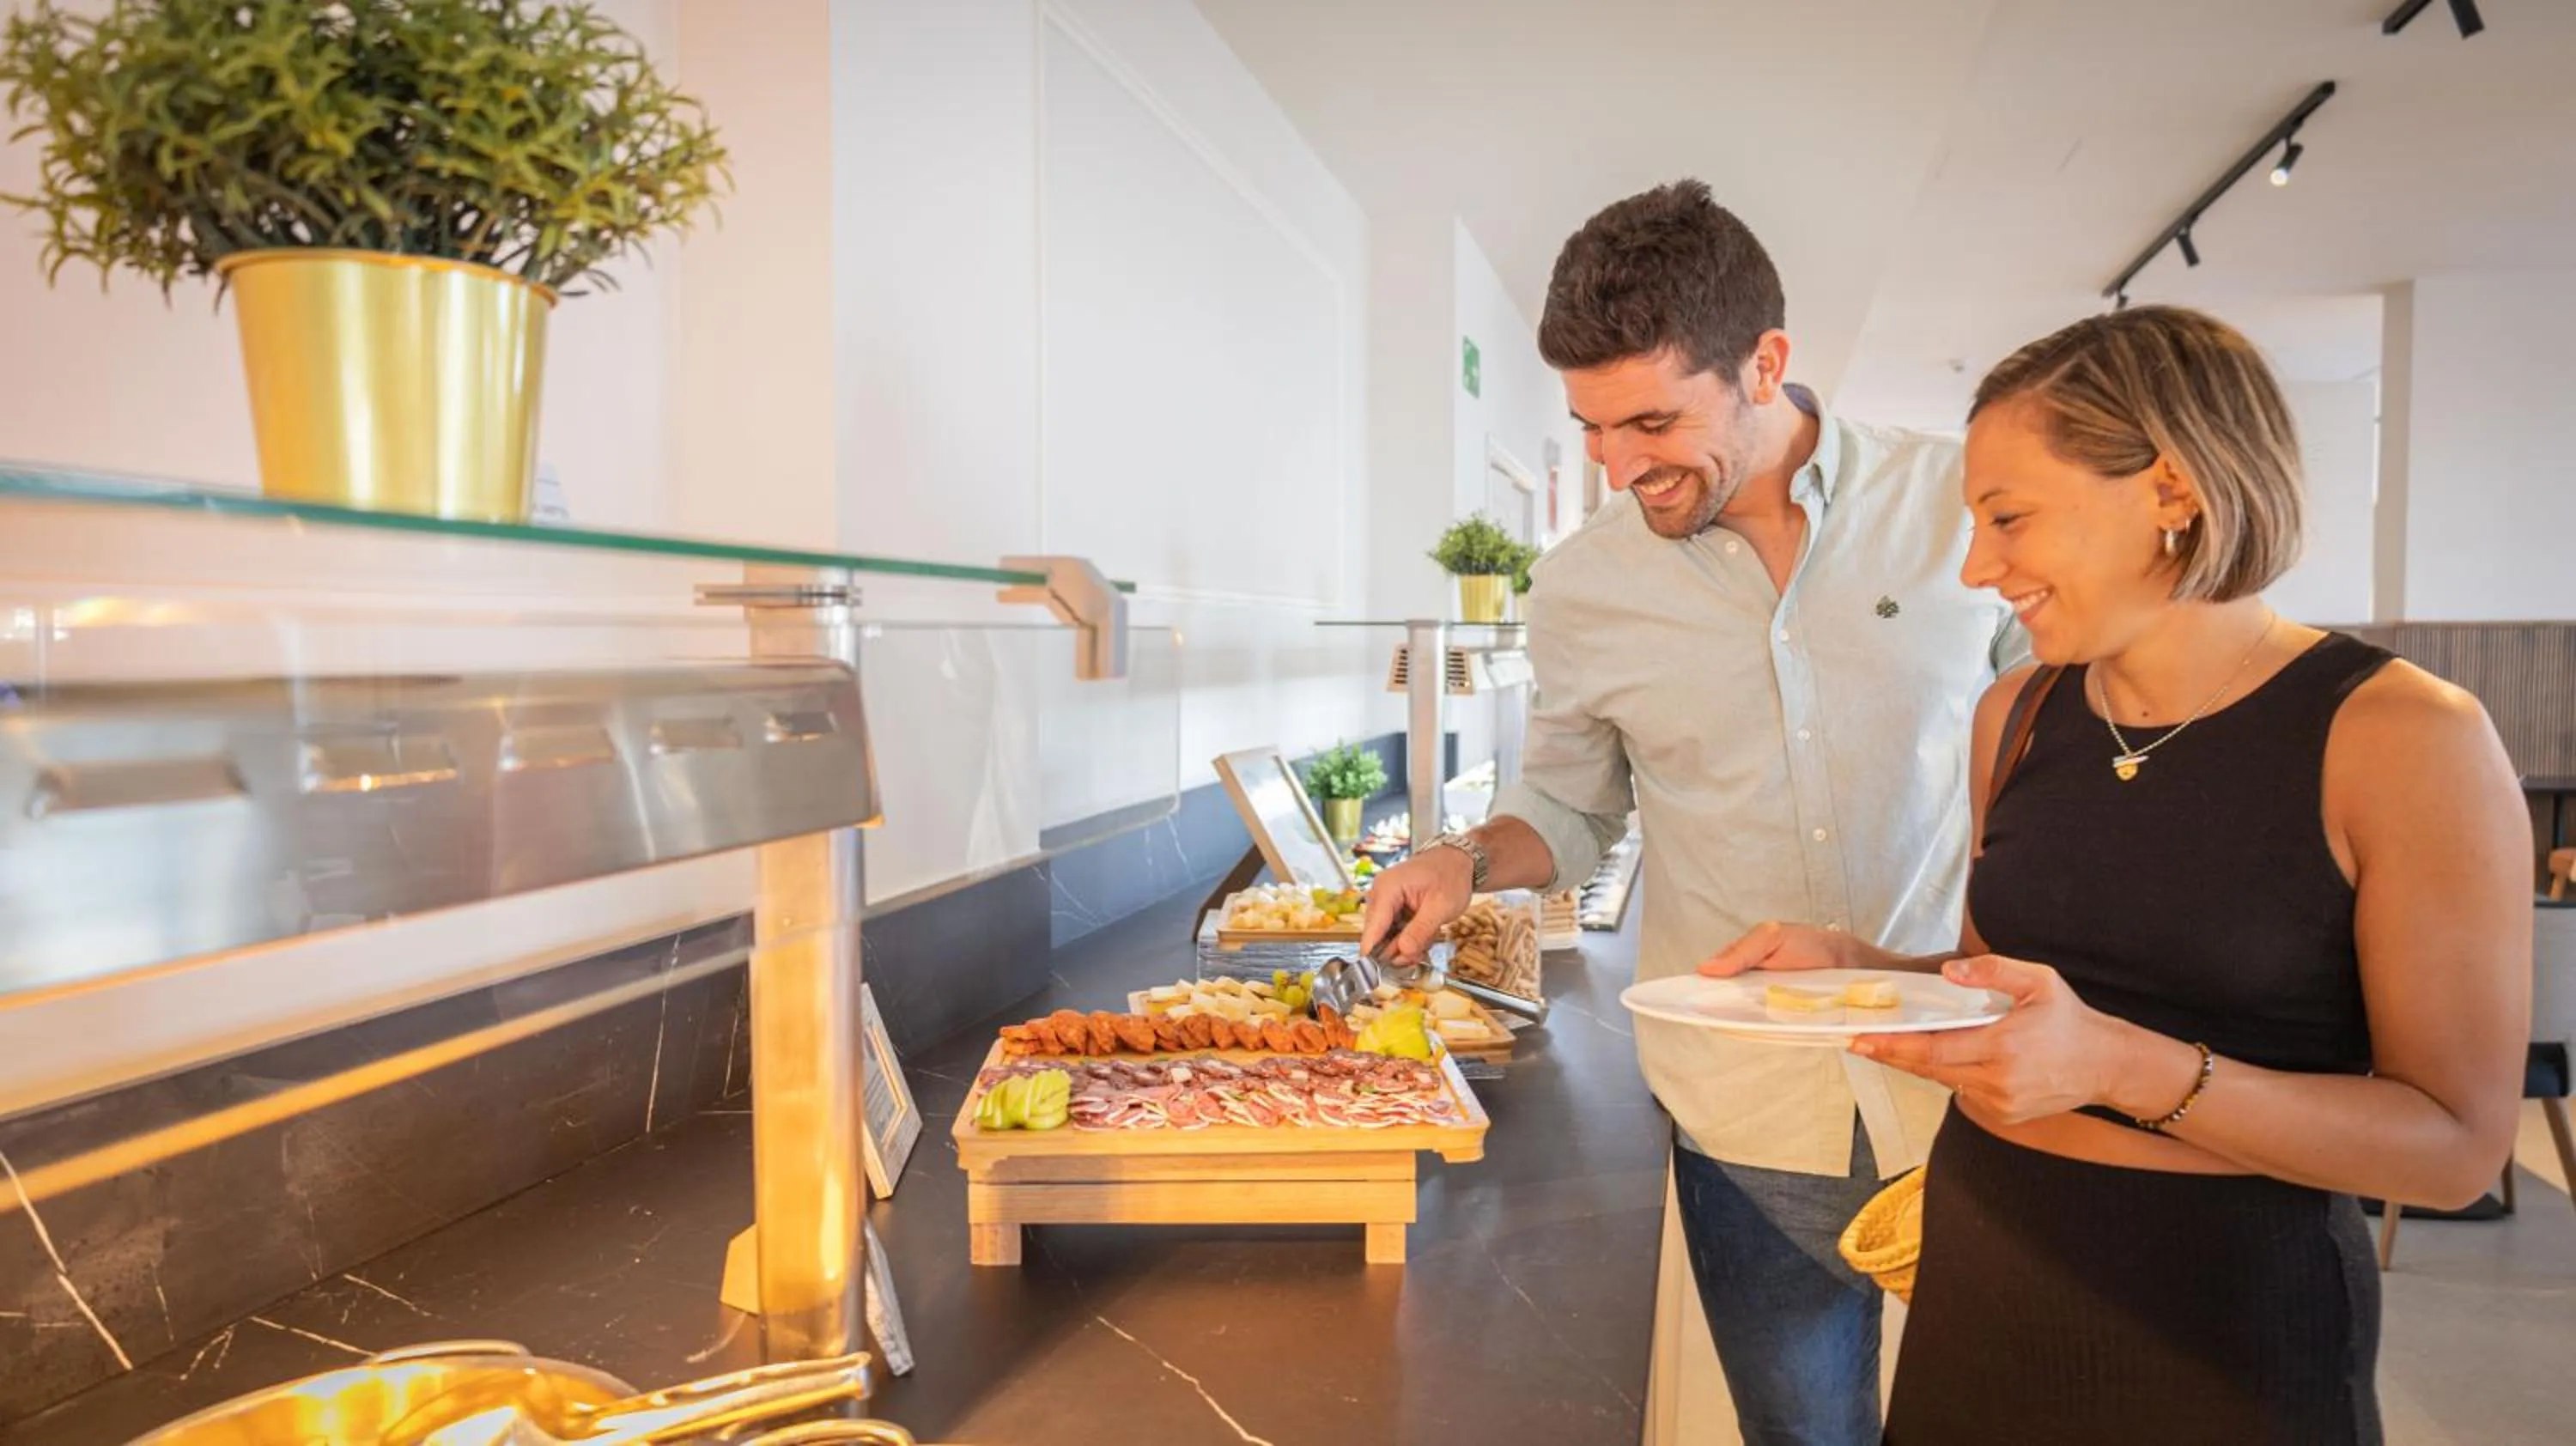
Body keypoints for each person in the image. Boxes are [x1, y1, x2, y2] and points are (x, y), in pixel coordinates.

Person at [1705, 305, 2530, 1444]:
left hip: (2227, 1330)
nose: (1978, 566)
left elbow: (2455, 1149)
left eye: (2009, 518)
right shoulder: (2021, 714)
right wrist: (1863, 966)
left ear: (2172, 492)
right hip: (1982, 1280)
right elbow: (2017, 983)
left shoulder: (2401, 737)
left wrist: (2125, 1068)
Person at [1358, 179, 2024, 1445]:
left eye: (1652, 420)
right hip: (1744, 1105)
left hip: (1973, 1086)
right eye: (1593, 429)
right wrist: (1459, 857)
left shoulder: (1961, 512)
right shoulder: (1583, 585)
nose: (1619, 467)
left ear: (1765, 363)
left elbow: (2053, 769)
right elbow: (1568, 805)